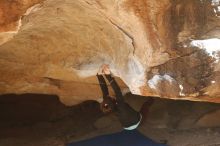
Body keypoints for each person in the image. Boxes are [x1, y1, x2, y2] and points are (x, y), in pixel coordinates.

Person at [96, 65, 153, 130]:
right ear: (114, 101)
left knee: (109, 97)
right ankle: (152, 99)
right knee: (145, 106)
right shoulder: (120, 106)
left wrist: (99, 75)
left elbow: (104, 88)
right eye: (111, 97)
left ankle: (150, 101)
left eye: (108, 96)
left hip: (125, 125)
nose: (110, 95)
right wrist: (108, 75)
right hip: (136, 121)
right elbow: (117, 90)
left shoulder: (106, 105)